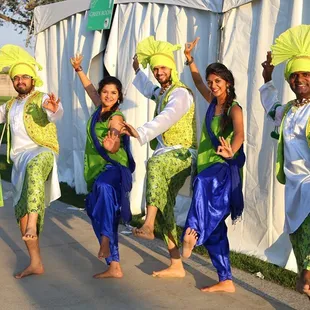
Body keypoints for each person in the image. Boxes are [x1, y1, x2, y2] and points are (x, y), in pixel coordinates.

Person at [121, 36, 197, 278]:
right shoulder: (163, 92)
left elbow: (167, 117)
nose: (158, 72)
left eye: (163, 67)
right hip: (168, 153)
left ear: (172, 68)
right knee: (166, 206)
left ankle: (148, 222)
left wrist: (141, 131)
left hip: (183, 152)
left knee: (154, 163)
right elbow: (149, 89)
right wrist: (137, 69)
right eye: (155, 69)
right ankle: (176, 264)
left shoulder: (180, 95)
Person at [180, 37, 245, 293]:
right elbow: (196, 82)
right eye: (211, 82)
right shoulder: (211, 102)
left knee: (203, 186)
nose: (213, 85)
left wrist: (232, 151)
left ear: (227, 82)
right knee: (216, 227)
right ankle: (226, 279)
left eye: (218, 81)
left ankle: (191, 233)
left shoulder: (234, 108)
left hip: (222, 167)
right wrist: (190, 60)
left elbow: (239, 134)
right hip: (206, 163)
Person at [0, 44, 63, 279]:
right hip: (19, 161)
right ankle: (35, 262)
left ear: (33, 78)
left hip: (42, 150)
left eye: (25, 76)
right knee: (21, 212)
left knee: (36, 167)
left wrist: (53, 110)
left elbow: (55, 113)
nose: (20, 80)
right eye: (16, 77)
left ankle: (32, 223)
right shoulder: (9, 105)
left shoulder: (42, 98)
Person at [70, 54, 135, 279]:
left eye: (113, 93)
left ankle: (106, 238)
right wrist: (78, 69)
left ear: (119, 97)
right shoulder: (99, 108)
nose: (108, 96)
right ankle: (114, 266)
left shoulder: (117, 117)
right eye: (105, 92)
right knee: (96, 210)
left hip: (114, 168)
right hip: (95, 168)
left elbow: (116, 137)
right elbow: (89, 88)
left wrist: (113, 144)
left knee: (104, 190)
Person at [259, 25, 310, 297]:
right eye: (294, 75)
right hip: (294, 188)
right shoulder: (290, 110)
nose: (299, 79)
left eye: (305, 74)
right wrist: (268, 79)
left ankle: (306, 277)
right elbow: (272, 109)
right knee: (299, 241)